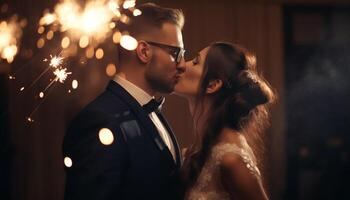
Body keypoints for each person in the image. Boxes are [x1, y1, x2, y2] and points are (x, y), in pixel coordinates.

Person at [62, 3, 186, 200]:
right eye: (175, 53)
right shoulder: (100, 120)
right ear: (144, 51)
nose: (182, 65)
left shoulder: (152, 109)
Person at [175, 42, 275, 200]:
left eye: (195, 62)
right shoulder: (197, 150)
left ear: (212, 84)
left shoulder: (230, 158)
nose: (181, 65)